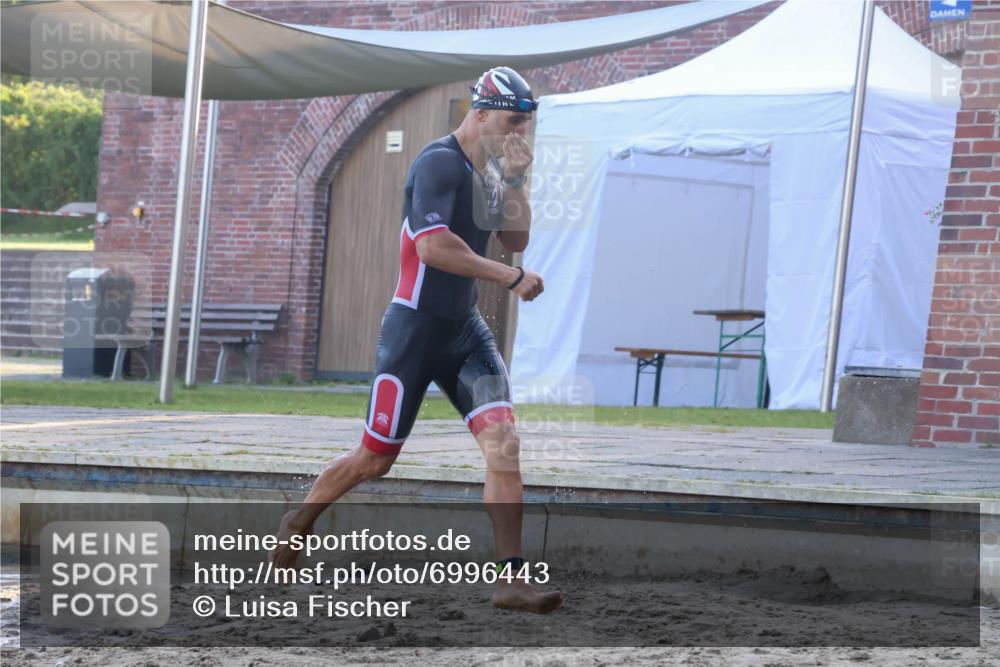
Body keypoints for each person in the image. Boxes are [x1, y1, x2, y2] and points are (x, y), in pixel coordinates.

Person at [271, 66, 561, 614]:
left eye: (525, 125)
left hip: (465, 333)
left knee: (505, 448)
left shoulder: (496, 174)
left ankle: (510, 581)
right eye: (511, 122)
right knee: (374, 460)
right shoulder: (438, 163)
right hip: (414, 332)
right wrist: (509, 278)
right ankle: (299, 521)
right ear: (479, 112)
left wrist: (519, 181)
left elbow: (515, 238)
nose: (518, 134)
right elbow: (433, 248)